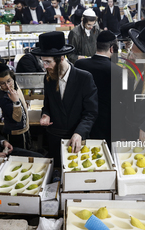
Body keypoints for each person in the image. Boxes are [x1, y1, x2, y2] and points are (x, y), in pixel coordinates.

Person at [32, 32, 98, 166]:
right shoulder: (48, 77)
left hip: (76, 139)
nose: (44, 66)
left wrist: (79, 133)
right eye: (42, 61)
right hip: (54, 138)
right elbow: (48, 104)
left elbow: (91, 113)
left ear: (61, 58)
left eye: (48, 62)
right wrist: (46, 114)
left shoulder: (84, 78)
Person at [74, 31, 122, 146]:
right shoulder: (117, 71)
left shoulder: (80, 64)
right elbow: (120, 101)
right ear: (111, 49)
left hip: (81, 121)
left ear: (97, 45)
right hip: (106, 122)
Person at [0, 63, 31, 150]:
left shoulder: (14, 85)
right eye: (3, 83)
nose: (8, 86)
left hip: (24, 128)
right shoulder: (3, 98)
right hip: (15, 134)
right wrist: (16, 101)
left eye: (9, 81)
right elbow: (17, 118)